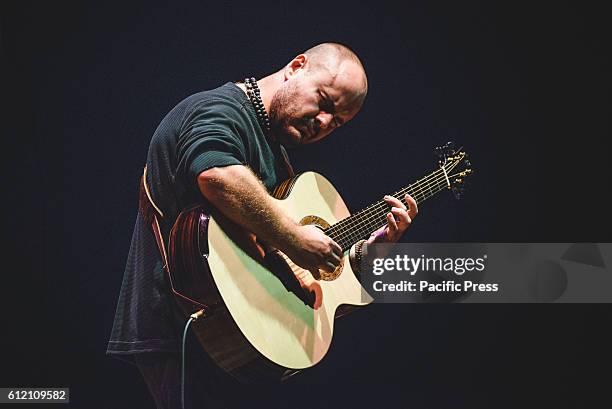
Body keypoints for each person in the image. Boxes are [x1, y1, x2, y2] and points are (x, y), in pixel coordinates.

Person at [107, 42, 418, 408]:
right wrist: (296, 238)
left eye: (336, 122)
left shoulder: (278, 158)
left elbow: (308, 284)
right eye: (324, 101)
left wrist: (370, 254)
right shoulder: (219, 110)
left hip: (247, 338)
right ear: (296, 66)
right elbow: (217, 174)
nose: (321, 122)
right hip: (183, 330)